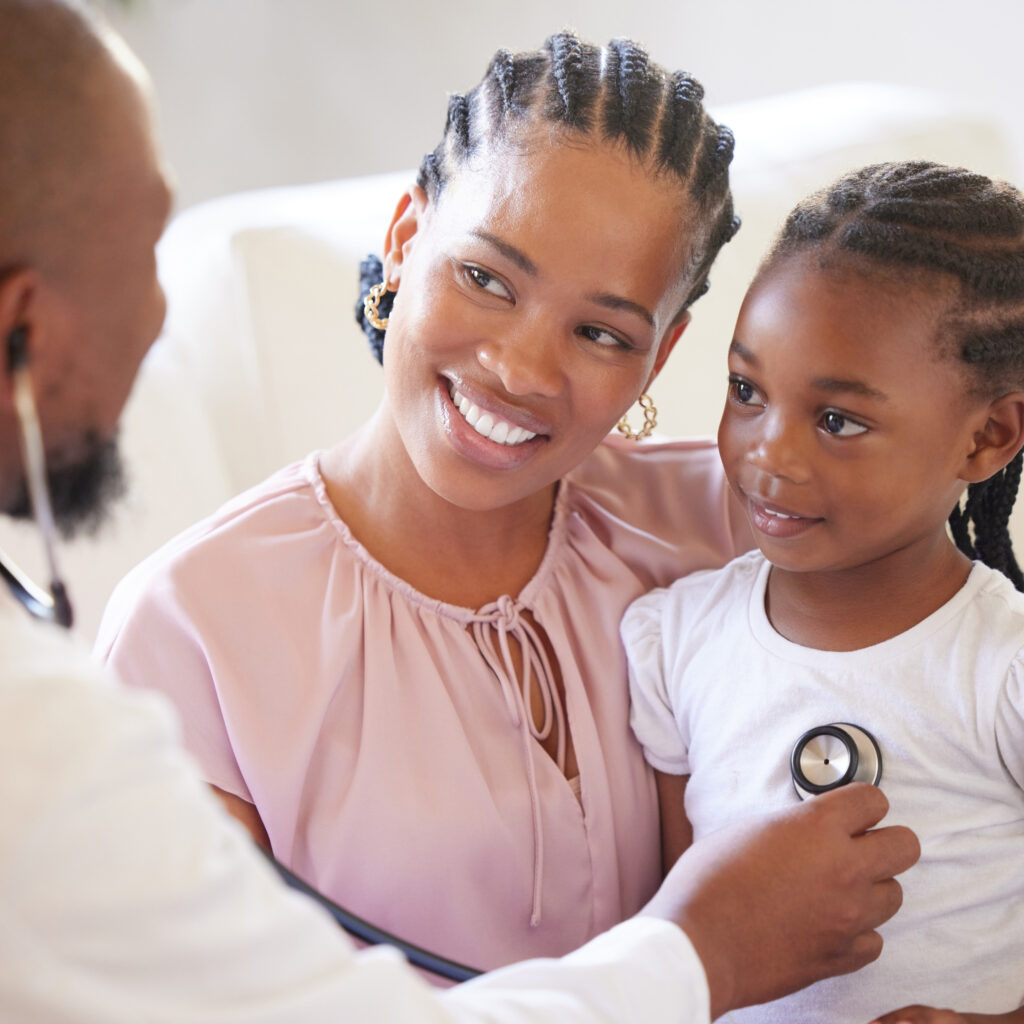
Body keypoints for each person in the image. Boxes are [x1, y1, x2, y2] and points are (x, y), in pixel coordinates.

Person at [0, 2, 922, 1020]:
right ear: (403, 239)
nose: (523, 368)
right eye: (486, 277)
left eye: (603, 333)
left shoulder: (736, 535)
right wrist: (707, 952)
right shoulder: (193, 627)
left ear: (661, 354)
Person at [622, 161, 1024, 1024]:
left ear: (987, 438)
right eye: (746, 391)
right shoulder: (674, 641)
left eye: (837, 420)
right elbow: (679, 931)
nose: (770, 454)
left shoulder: (1003, 668)